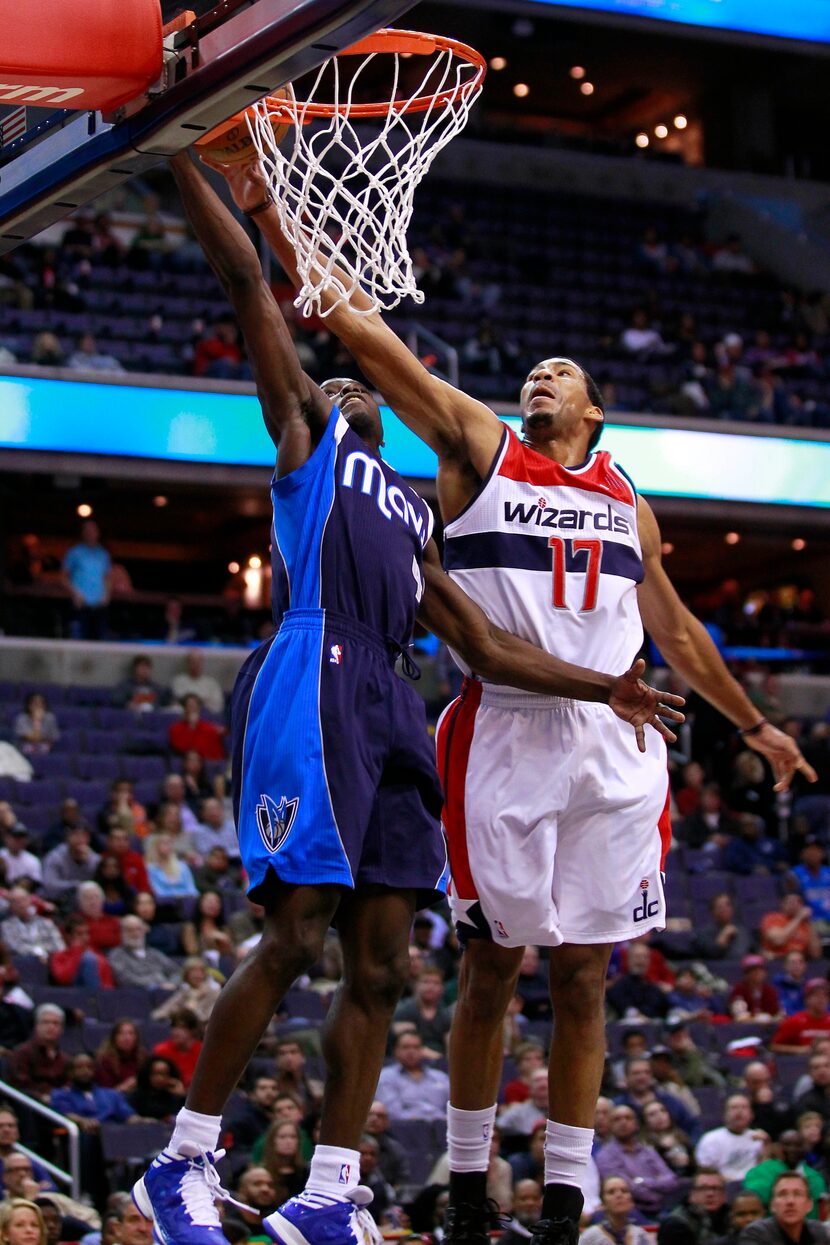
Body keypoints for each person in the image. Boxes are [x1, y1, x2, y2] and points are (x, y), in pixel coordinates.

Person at [221, 147, 814, 1245]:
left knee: (585, 978)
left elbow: (673, 630)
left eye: (558, 371)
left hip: (617, 741)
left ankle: (566, 1191)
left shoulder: (625, 496)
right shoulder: (476, 443)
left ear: (595, 407)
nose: (537, 380)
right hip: (504, 732)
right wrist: (272, 213)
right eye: (531, 372)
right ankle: (460, 1181)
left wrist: (756, 724)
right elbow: (361, 332)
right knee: (491, 966)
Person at [133, 152, 683, 1245]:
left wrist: (605, 686)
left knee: (381, 962)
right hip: (314, 672)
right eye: (335, 385)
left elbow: (482, 643)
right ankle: (181, 1161)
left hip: (392, 694)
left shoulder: (414, 512)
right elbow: (253, 289)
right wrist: (185, 157)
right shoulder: (306, 443)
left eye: (351, 389)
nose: (343, 390)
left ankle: (330, 1191)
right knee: (292, 938)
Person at [594, 1105, 680, 1217]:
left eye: (628, 1118)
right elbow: (629, 1189)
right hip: (633, 1210)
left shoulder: (648, 1150)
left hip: (664, 1207)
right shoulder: (605, 1156)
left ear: (636, 1124)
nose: (623, 1122)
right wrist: (658, 1193)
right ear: (610, 1125)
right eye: (617, 1119)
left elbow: (671, 1180)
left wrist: (644, 1182)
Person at [744, 1130, 826, 1217]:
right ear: (779, 1147)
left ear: (805, 1148)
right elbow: (755, 1199)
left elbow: (818, 1210)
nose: (792, 1149)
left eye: (798, 1145)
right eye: (787, 1145)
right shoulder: (761, 1171)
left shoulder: (815, 1177)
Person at [376, 1032, 450, 1122]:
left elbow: (452, 1107)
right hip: (405, 1129)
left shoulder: (440, 1077)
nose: (411, 1051)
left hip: (442, 1127)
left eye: (416, 1047)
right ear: (396, 1051)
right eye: (405, 1047)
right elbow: (393, 1113)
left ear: (422, 1050)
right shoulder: (386, 1077)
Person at [738, 1172, 828, 1245]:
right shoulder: (755, 1233)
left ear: (809, 1205)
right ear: (772, 1205)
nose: (790, 1201)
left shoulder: (818, 1231)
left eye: (797, 1194)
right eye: (782, 1194)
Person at [694, 1095, 766, 1182]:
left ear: (751, 1114)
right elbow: (706, 1171)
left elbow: (766, 1168)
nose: (739, 1112)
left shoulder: (759, 1138)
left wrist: (767, 1144)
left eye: (744, 1107)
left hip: (753, 1185)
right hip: (723, 1186)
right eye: (734, 1108)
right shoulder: (711, 1139)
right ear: (725, 1114)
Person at [62, 520, 111, 640]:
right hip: (80, 605)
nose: (90, 533)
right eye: (87, 530)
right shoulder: (74, 552)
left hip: (99, 606)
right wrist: (74, 593)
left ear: (98, 533)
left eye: (93, 530)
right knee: (79, 639)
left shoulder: (103, 554)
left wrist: (107, 595)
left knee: (99, 641)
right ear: (82, 533)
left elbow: (108, 578)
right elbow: (63, 577)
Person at [580, 1177, 650, 1245]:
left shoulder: (641, 1235)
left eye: (624, 1191)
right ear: (603, 1202)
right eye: (611, 1192)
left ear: (631, 1199)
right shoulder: (590, 1237)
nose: (619, 1195)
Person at [772, 981, 830, 1055]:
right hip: (802, 1062)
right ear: (807, 999)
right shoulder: (795, 1021)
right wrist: (800, 1049)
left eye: (825, 995)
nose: (821, 999)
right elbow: (774, 1046)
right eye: (816, 995)